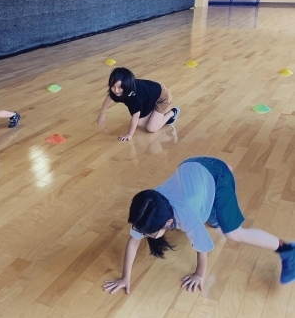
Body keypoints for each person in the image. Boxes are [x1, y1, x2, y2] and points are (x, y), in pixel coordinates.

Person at [103, 156, 295, 294]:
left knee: (233, 234)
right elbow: (133, 241)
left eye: (149, 234)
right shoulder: (148, 206)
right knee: (212, 220)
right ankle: (215, 184)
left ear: (169, 222)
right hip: (192, 165)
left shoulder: (187, 216)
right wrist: (125, 277)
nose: (144, 236)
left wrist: (199, 275)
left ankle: (287, 249)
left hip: (217, 176)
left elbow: (202, 248)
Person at [97, 67, 179, 141]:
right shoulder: (117, 91)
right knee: (140, 124)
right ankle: (155, 113)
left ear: (127, 86)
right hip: (150, 98)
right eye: (113, 86)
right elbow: (109, 97)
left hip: (163, 97)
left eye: (120, 87)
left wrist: (129, 134)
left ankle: (172, 113)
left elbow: (135, 117)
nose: (116, 90)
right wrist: (102, 113)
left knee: (151, 128)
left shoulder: (134, 97)